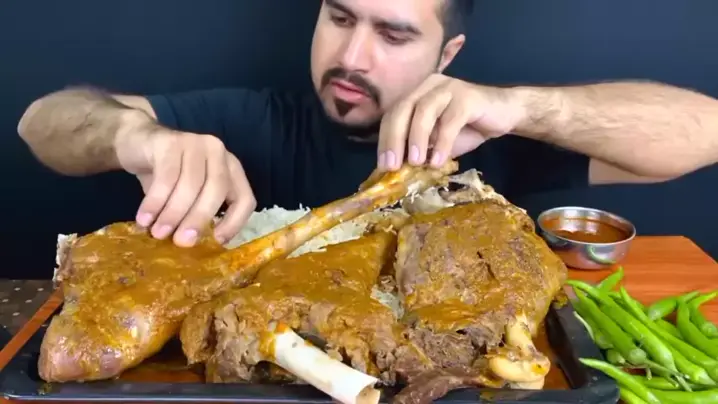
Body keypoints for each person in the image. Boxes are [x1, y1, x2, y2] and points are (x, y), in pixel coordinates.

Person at [17, 0, 718, 249]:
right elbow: (40, 122)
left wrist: (529, 109)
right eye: (340, 17)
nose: (352, 57)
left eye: (393, 34)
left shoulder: (499, 137)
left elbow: (705, 130)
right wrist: (134, 136)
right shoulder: (252, 118)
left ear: (447, 55)